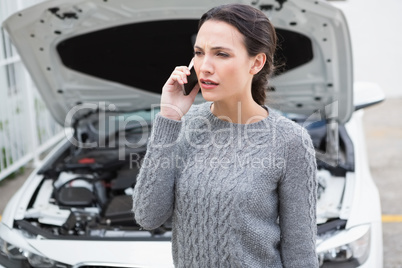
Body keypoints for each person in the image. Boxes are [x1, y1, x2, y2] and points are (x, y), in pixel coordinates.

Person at [132, 3, 319, 267]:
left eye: (221, 54)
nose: (205, 66)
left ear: (256, 62)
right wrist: (170, 118)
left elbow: (300, 251)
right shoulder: (185, 125)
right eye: (199, 52)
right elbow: (147, 216)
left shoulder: (290, 141)